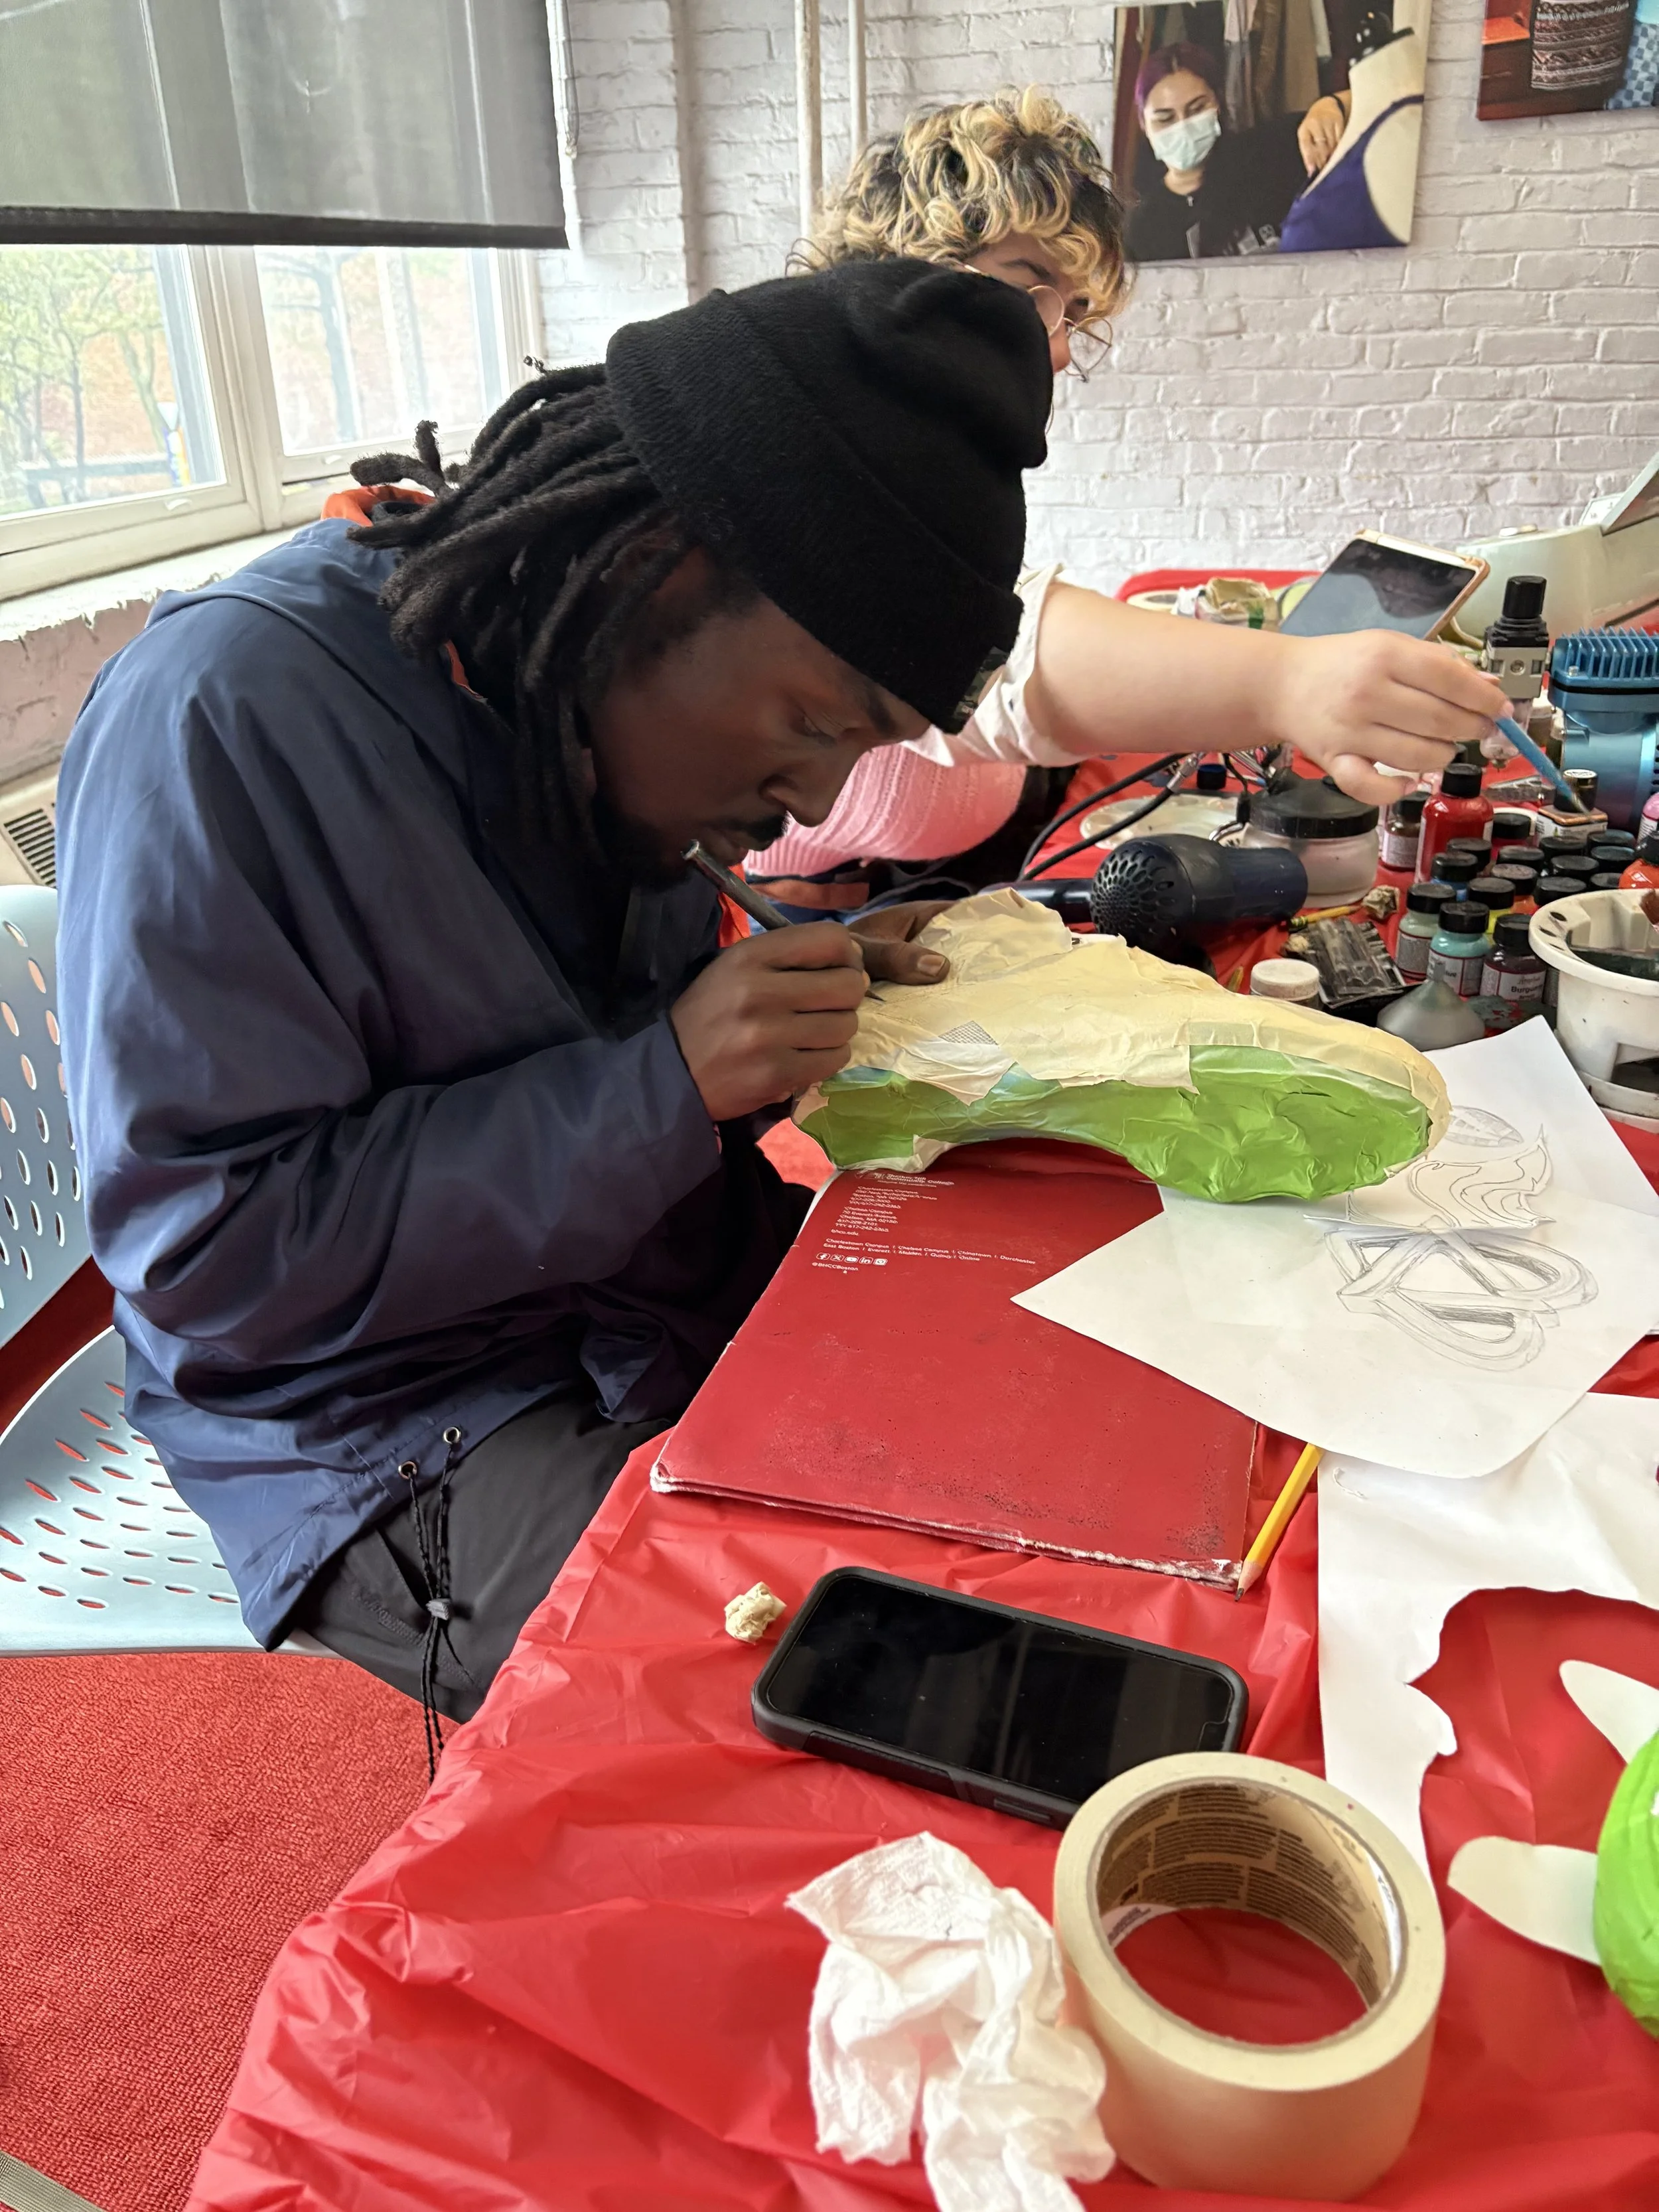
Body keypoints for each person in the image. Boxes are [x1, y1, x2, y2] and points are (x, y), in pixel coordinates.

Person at [54, 261, 1051, 1739]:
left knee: (1013, 1406)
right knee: (825, 1683)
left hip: (629, 1295)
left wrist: (787, 1013)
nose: (814, 801)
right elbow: (211, 1261)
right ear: (652, 571)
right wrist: (656, 1086)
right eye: (812, 725)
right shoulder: (228, 716)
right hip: (371, 1419)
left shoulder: (583, 695)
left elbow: (573, 1039)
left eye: (870, 746)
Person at [755, 87, 1510, 913]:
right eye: (1029, 285)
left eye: (1073, 312)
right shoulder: (815, 448)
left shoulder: (930, 448)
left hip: (978, 843)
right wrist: (1289, 682)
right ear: (905, 267)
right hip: (835, 889)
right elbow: (977, 652)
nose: (1059, 348)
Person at [1123, 43, 1350, 263]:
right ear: (1144, 125)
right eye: (1165, 119)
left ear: (1218, 103)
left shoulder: (1272, 151)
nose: (1183, 126)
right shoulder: (1141, 231)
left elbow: (1371, 97)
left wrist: (1332, 106)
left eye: (1197, 109)